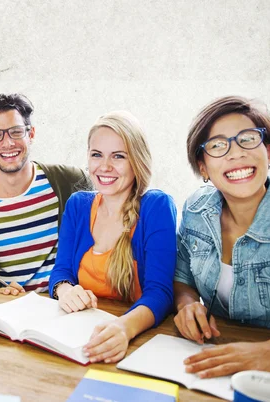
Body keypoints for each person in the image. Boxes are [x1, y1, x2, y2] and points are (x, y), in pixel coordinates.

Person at [174, 95, 270, 378]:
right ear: (203, 167)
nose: (235, 153)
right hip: (220, 363)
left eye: (248, 139)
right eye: (217, 145)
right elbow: (183, 279)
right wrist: (187, 305)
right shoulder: (196, 209)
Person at [48, 110, 177, 363]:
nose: (104, 167)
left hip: (136, 340)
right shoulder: (78, 205)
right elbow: (61, 270)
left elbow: (161, 293)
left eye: (118, 156)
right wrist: (65, 290)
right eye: (97, 155)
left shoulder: (156, 206)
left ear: (136, 161)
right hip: (80, 337)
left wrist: (124, 328)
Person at [0, 94, 91, 294]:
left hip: (65, 304)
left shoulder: (70, 182)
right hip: (8, 312)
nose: (7, 143)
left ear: (31, 134)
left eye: (16, 132)